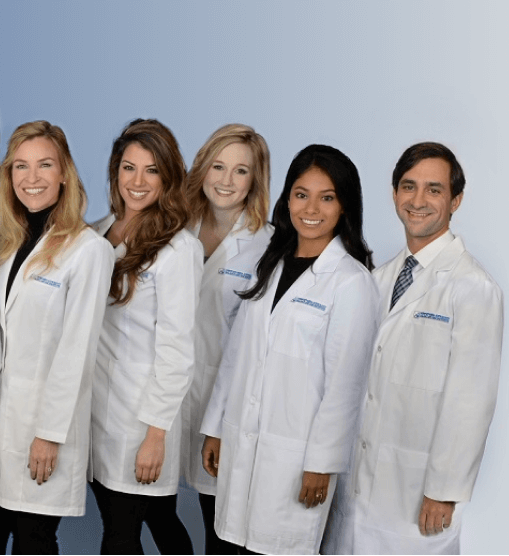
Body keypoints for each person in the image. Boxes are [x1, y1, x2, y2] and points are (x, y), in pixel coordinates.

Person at [322, 142, 504, 555]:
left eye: (434, 189)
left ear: (455, 200)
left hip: (418, 492)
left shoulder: (474, 288)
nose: (418, 200)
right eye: (409, 186)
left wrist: (444, 489)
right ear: (394, 194)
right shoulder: (377, 278)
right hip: (355, 486)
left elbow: (471, 401)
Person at [201, 144, 379, 555]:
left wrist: (322, 463)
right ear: (287, 200)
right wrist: (215, 426)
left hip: (297, 458)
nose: (311, 208)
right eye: (301, 194)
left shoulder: (351, 282)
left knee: (277, 545)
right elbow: (237, 356)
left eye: (327, 197)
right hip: (243, 438)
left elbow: (346, 386)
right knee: (231, 543)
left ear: (344, 207)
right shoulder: (270, 264)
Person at [0, 121, 114, 555]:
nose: (31, 177)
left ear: (65, 174)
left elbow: (77, 351)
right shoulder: (7, 243)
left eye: (45, 165)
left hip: (43, 428)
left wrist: (50, 434)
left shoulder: (89, 250)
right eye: (21, 166)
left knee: (33, 542)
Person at [89, 118, 199, 555]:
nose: (137, 182)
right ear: (115, 170)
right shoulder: (97, 232)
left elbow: (177, 350)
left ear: (168, 176)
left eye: (151, 170)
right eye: (128, 168)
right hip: (98, 410)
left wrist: (156, 436)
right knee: (159, 519)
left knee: (120, 536)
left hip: (140, 419)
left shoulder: (178, 248)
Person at [179, 124, 274, 555]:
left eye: (241, 171)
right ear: (202, 168)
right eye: (218, 167)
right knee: (148, 507)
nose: (226, 180)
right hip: (170, 395)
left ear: (255, 180)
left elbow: (255, 348)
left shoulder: (267, 246)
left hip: (224, 404)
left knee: (218, 526)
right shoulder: (176, 228)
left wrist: (219, 423)